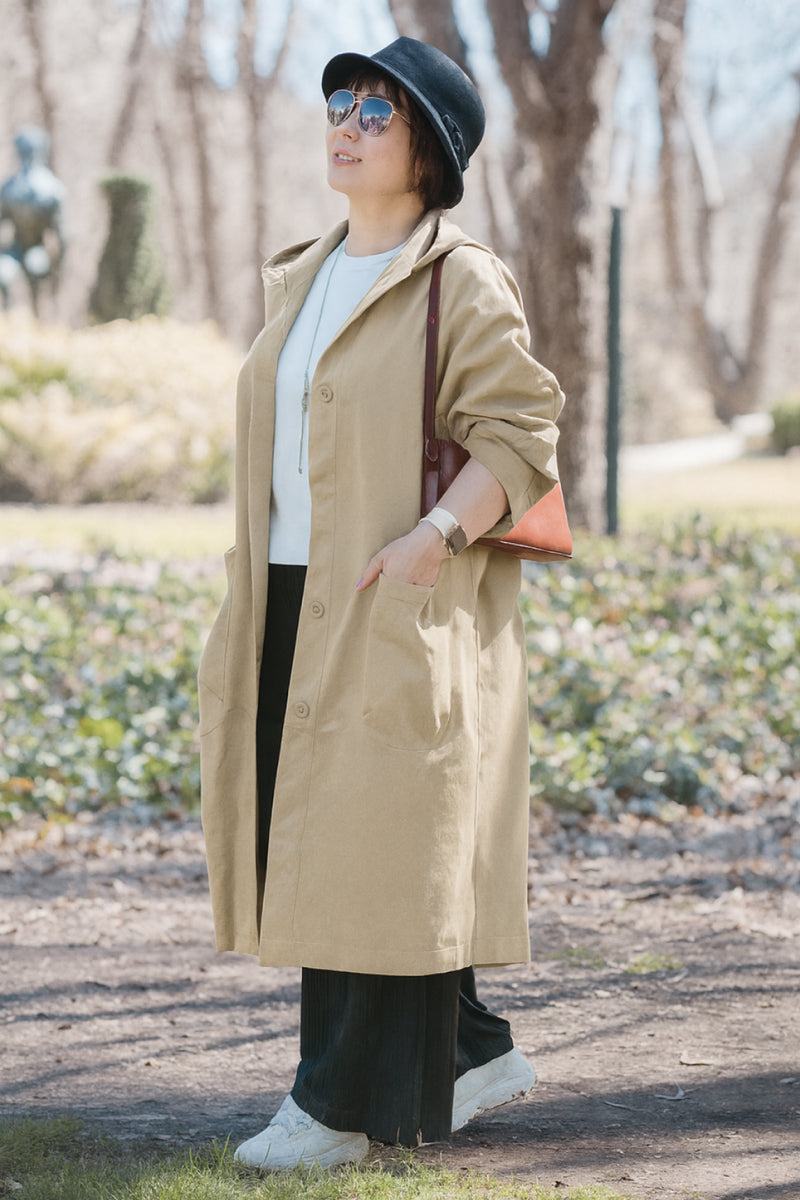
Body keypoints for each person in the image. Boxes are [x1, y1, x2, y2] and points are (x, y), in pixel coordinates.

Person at [196, 34, 565, 1172]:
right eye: (340, 102)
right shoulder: (301, 272)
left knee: (367, 839)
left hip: (396, 586)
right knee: (336, 840)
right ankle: (461, 1046)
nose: (345, 122)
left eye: (376, 111)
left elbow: (521, 433)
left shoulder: (460, 276)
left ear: (430, 152)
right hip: (286, 593)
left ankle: (335, 1108)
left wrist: (430, 536)